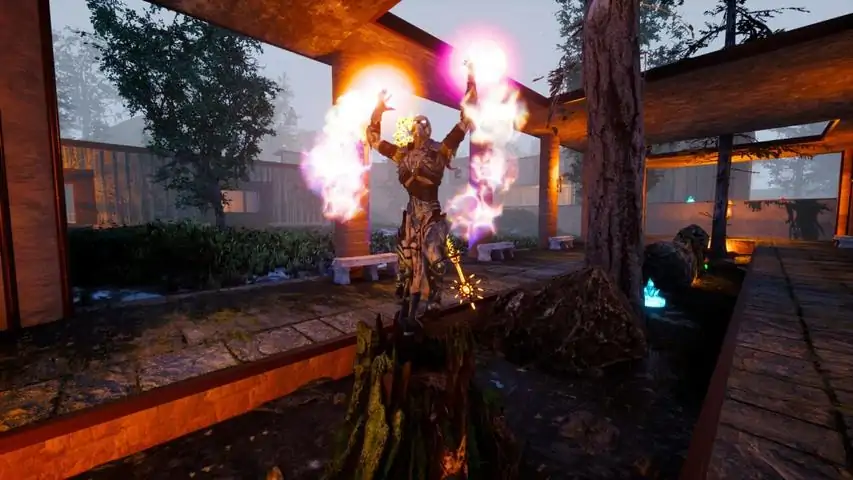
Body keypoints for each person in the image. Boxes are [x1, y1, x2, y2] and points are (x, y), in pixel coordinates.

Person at [366, 62, 478, 331]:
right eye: (416, 122)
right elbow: (374, 140)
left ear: (429, 129)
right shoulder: (402, 153)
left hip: (431, 212)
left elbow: (466, 121)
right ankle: (409, 303)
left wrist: (471, 78)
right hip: (412, 215)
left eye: (424, 123)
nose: (419, 125)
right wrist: (377, 111)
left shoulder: (440, 150)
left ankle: (435, 298)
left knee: (434, 258)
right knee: (408, 265)